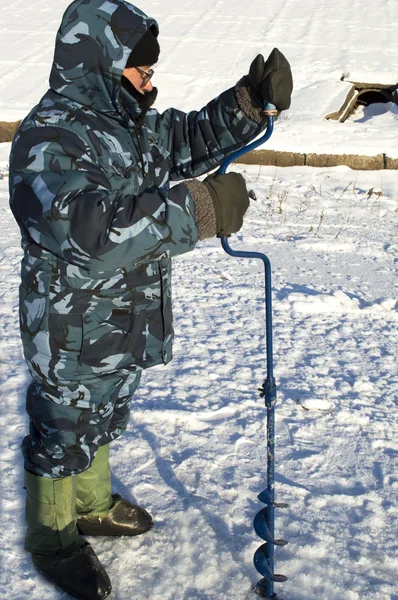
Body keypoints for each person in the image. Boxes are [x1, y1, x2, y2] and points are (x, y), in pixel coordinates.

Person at [8, 1, 293, 598]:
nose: (150, 80)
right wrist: (199, 209)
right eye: (140, 70)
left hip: (124, 315)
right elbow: (80, 231)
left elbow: (184, 138)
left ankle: (90, 504)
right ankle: (53, 538)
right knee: (64, 423)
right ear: (102, 64)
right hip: (71, 323)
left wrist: (246, 105)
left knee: (106, 411)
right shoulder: (50, 135)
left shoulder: (123, 123)